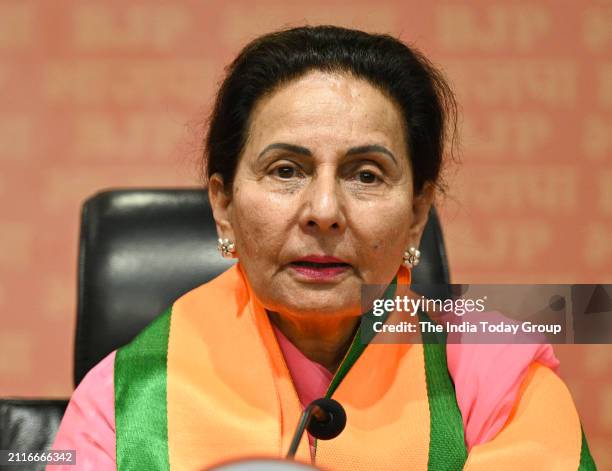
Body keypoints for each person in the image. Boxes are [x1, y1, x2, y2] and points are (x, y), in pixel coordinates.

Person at [50, 25, 596, 470]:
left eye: (366, 174)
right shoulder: (122, 404)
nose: (325, 212)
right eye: (286, 170)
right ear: (223, 206)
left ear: (417, 215)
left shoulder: (496, 376)